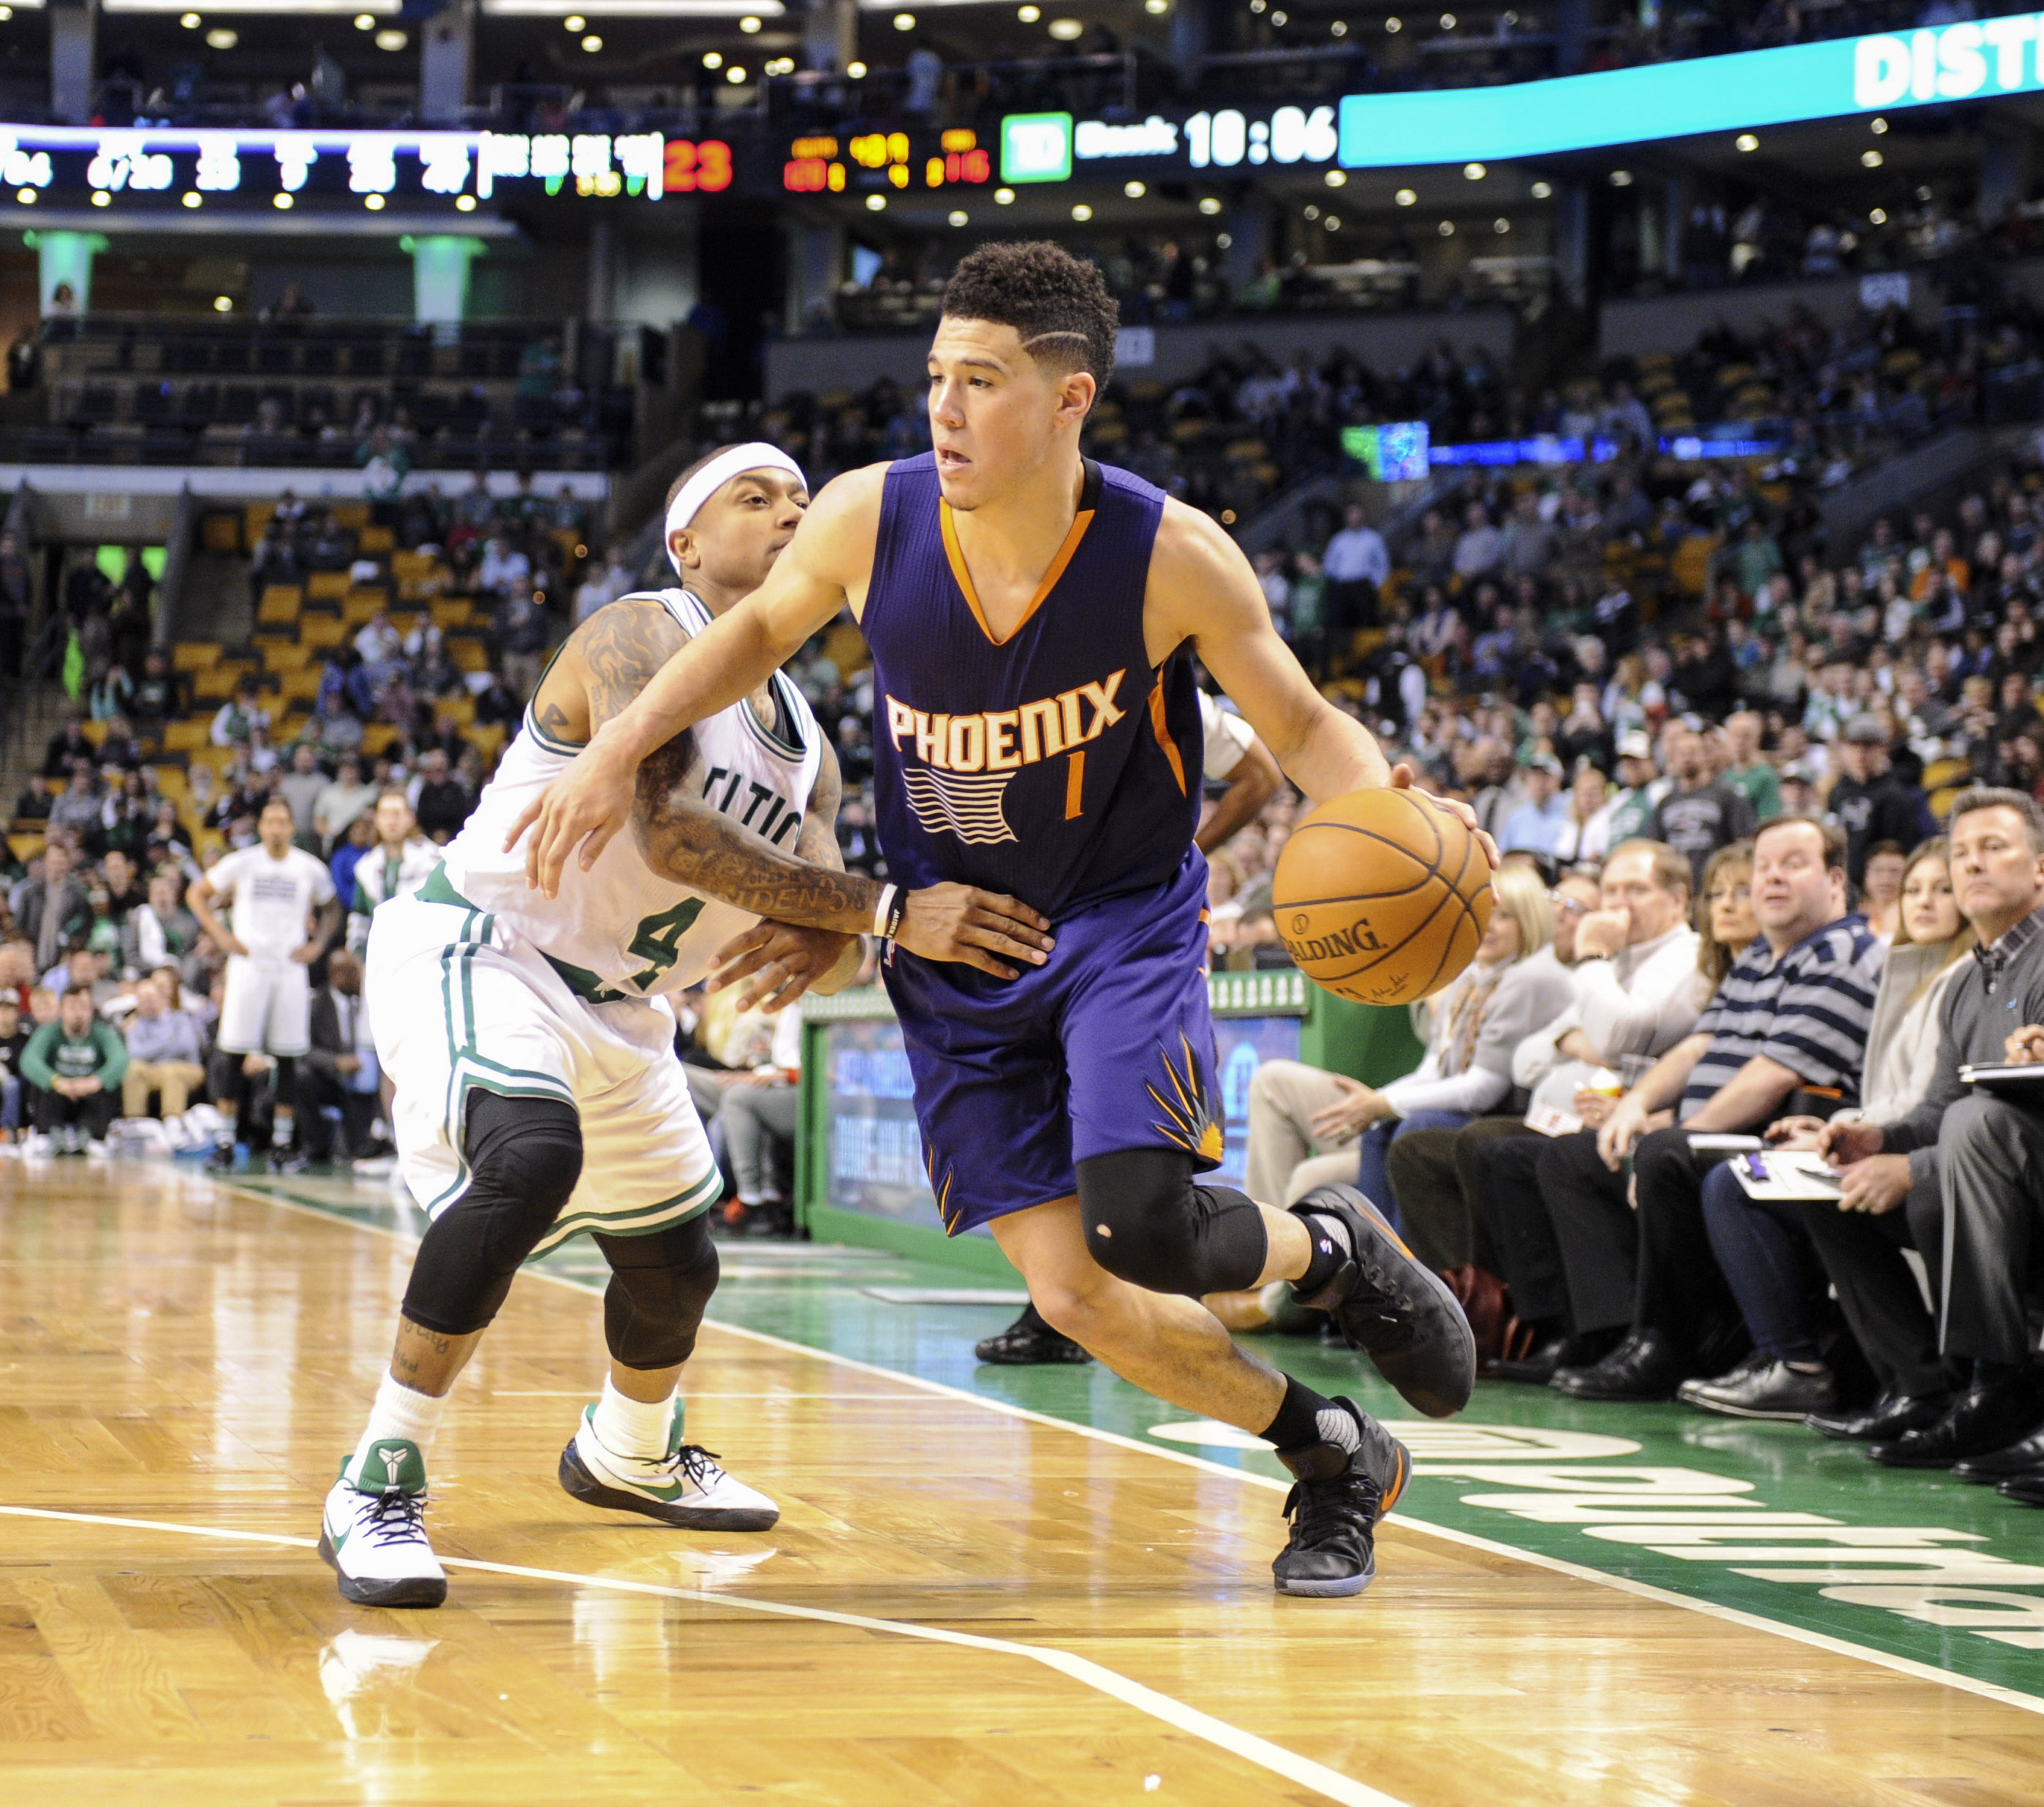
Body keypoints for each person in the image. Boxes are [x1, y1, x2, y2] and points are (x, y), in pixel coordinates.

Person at [507, 243, 1496, 1601]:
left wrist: (1406, 816)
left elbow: (1306, 729)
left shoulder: (1168, 554)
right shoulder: (869, 518)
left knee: (1143, 1226)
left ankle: (1339, 1249)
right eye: (933, 379)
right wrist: (620, 741)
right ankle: (1334, 1452)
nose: (944, 410)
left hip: (1117, 920)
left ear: (1070, 397)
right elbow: (745, 641)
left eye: (981, 382)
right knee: (1082, 1296)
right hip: (956, 935)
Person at [319, 442, 931, 1611]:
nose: (791, 515)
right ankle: (377, 1477)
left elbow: (836, 929)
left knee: (677, 1266)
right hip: (490, 945)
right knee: (531, 1158)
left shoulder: (808, 743)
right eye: (757, 500)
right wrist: (875, 911)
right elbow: (681, 842)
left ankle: (629, 1452)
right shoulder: (636, 635)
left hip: (625, 1007)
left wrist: (842, 929)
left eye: (804, 503)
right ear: (686, 543)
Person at [976, 686, 1282, 1366]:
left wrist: (1177, 854)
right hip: (1039, 948)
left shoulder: (1156, 676)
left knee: (1147, 1145)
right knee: (1065, 1136)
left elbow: (1263, 773)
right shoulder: (998, 688)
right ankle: (1058, 1308)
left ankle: (1205, 1290)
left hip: (1137, 944)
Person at [1543, 816, 1883, 1400]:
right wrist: (1639, 1106)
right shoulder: (1758, 959)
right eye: (1763, 866)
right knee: (1572, 1158)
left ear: (1834, 881)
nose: (1772, 878)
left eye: (1793, 864)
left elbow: (1776, 1074)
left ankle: (1667, 1344)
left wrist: (1678, 1133)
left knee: (1668, 1157)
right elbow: (1701, 1045)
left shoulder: (1844, 952)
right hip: (1719, 1131)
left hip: (1788, 1133)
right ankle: (1607, 1333)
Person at [1815, 790, 2044, 1480]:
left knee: (1962, 1145)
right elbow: (1937, 1109)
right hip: (1989, 1162)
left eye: (1994, 848)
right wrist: (1872, 1140)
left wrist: (1915, 1168)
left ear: (2040, 868)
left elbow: (1975, 1121)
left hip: (2020, 1166)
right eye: (1961, 852)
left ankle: (1998, 1382)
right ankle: (1926, 1387)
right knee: (1823, 1186)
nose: (1973, 863)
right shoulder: (1963, 983)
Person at [1249, 862, 1571, 1222]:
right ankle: (1371, 1260)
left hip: (1504, 1118)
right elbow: (1433, 1068)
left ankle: (1398, 1263)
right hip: (1461, 1111)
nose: (1488, 927)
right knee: (1378, 1127)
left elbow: (1483, 1089)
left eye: (1505, 917)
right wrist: (1375, 1103)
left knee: (1410, 1127)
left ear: (1530, 921)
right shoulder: (1472, 977)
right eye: (1482, 914)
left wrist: (1383, 1102)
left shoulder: (1532, 978)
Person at [187, 796, 341, 1171]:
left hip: (289, 967)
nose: (276, 828)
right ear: (261, 827)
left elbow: (334, 906)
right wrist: (221, 937)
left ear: (291, 827)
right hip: (248, 965)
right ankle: (225, 1141)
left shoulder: (309, 868)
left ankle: (283, 1144)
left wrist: (318, 944)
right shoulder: (243, 862)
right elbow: (197, 894)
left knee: (288, 1058)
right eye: (269, 821)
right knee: (233, 1054)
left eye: (282, 822)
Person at [1647, 721, 1755, 884]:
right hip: (1679, 886)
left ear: (1706, 755)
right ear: (1673, 759)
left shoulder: (1728, 796)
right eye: (1682, 753)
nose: (1687, 758)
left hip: (1716, 885)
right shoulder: (1665, 803)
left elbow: (1743, 844)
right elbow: (1654, 849)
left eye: (1693, 752)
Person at [23, 984, 126, 1153]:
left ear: (92, 1011)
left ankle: (92, 1137)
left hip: (90, 1096)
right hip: (59, 1094)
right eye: (72, 1007)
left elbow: (120, 1060)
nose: (78, 1013)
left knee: (109, 1086)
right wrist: (58, 1082)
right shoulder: (48, 1032)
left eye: (83, 1007)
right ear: (61, 1010)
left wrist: (95, 1081)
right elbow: (29, 1061)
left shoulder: (103, 1033)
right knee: (40, 1085)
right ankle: (48, 1135)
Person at [301, 949, 379, 1162]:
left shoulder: (368, 999)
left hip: (362, 1076)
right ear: (337, 976)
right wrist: (335, 1062)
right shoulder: (317, 1004)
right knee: (301, 1076)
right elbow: (304, 1049)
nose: (359, 978)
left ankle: (375, 1139)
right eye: (353, 973)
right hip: (329, 1077)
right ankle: (315, 1145)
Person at [347, 789, 441, 952]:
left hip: (423, 949)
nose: (391, 821)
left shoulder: (433, 859)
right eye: (385, 814)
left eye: (396, 814)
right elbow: (359, 914)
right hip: (380, 952)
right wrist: (359, 951)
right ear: (377, 820)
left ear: (411, 818)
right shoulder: (366, 866)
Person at [121, 970, 208, 1121]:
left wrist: (151, 1050)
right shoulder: (135, 1024)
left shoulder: (182, 1019)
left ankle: (172, 1121)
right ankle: (135, 1121)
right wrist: (167, 1041)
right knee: (134, 1069)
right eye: (143, 1000)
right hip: (152, 1071)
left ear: (163, 1000)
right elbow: (134, 1054)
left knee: (171, 1071)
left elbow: (186, 1047)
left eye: (151, 999)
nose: (147, 1004)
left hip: (187, 1069)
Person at [1859, 838, 1907, 940]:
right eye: (1878, 871)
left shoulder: (1912, 917)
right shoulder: (1850, 912)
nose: (1886, 881)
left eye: (1895, 872)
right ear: (1866, 875)